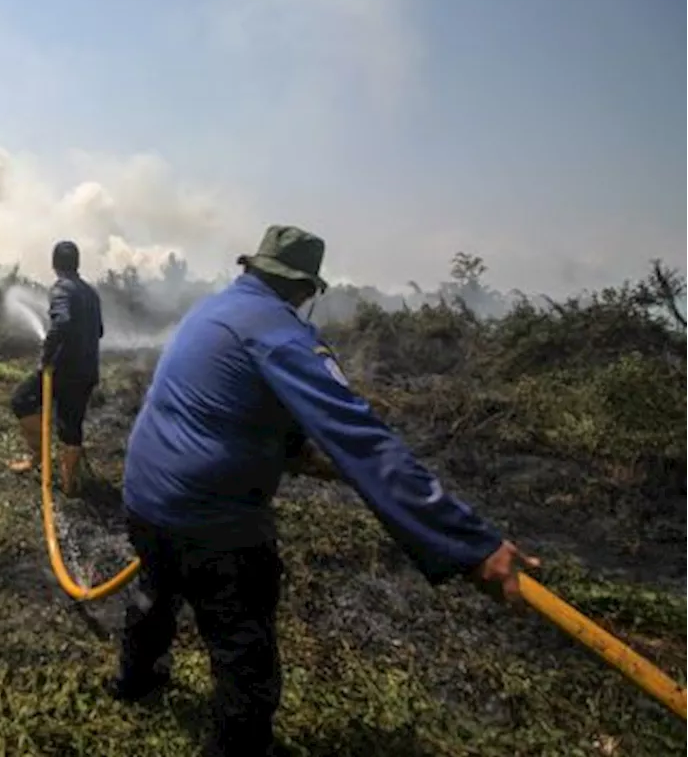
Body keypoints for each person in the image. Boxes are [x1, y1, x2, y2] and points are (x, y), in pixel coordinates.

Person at [110, 224, 540, 757]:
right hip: (212, 526)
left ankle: (135, 681)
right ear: (306, 289)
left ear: (253, 268)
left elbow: (241, 410)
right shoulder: (283, 333)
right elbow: (360, 435)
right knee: (245, 656)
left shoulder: (211, 310)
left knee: (156, 588)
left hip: (145, 499)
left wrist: (316, 463)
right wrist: (471, 544)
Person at [8, 240, 105, 496]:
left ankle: (39, 455)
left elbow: (61, 323)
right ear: (77, 263)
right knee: (71, 427)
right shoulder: (90, 293)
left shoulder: (61, 288)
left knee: (21, 401)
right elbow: (100, 331)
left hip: (63, 370)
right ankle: (70, 484)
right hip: (87, 371)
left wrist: (46, 357)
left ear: (54, 264)